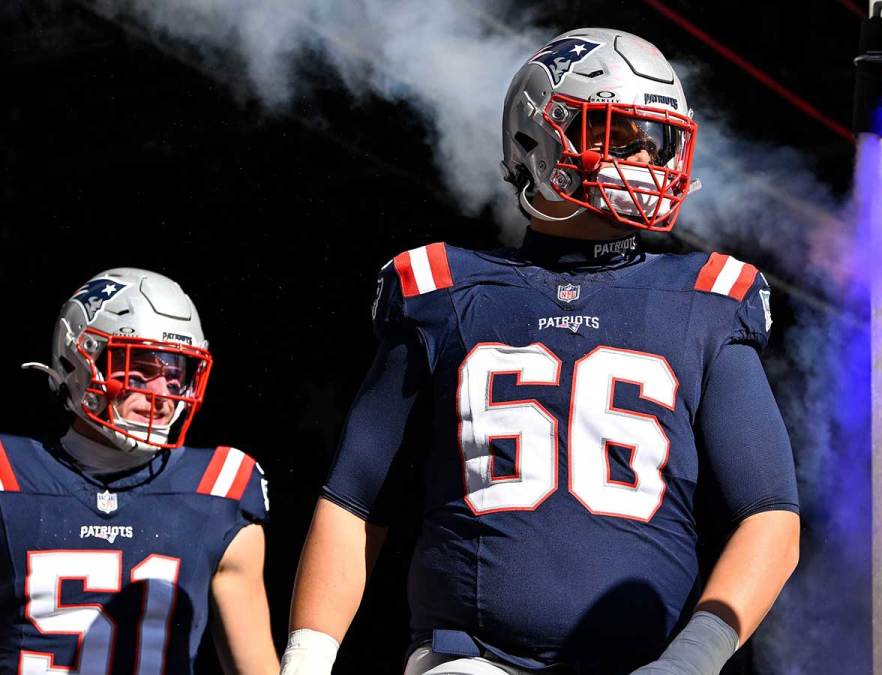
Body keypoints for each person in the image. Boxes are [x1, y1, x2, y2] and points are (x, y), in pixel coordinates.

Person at [282, 28, 800, 675]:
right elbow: (355, 500)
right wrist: (306, 660)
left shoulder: (705, 297)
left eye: (653, 140)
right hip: (470, 661)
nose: (642, 158)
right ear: (537, 139)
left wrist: (689, 661)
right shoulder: (444, 290)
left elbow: (771, 515)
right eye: (617, 134)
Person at [5, 268, 278, 674]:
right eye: (139, 370)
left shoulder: (221, 487)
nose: (161, 395)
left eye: (175, 374)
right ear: (78, 359)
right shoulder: (8, 475)